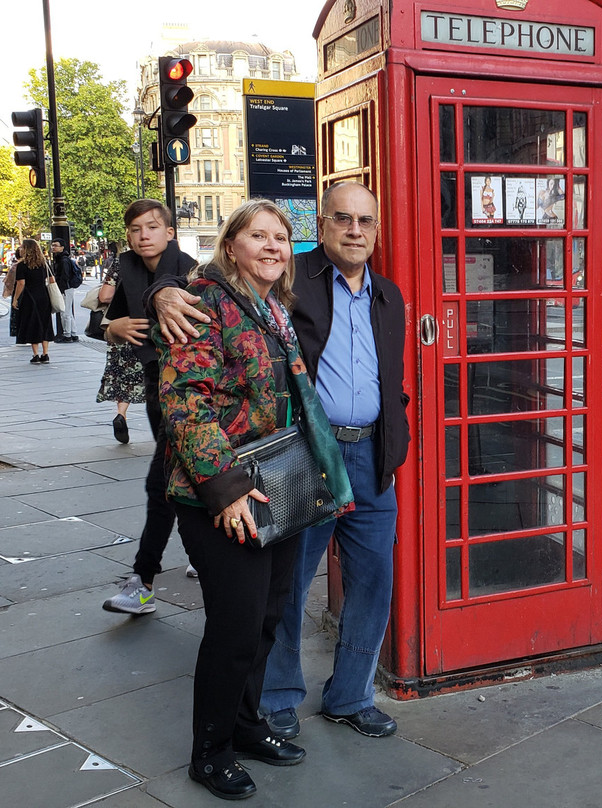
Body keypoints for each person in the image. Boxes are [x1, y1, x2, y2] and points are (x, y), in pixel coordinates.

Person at [153, 180, 410, 742]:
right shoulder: (295, 279)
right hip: (303, 456)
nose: (355, 231)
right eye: (342, 219)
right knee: (287, 584)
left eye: (366, 221)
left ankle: (352, 695)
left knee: (374, 582)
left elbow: (391, 378)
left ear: (377, 230)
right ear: (322, 227)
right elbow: (204, 280)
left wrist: (397, 435)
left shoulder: (389, 296)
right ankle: (276, 698)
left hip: (372, 456)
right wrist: (161, 292)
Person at [153, 199, 352, 801]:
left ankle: (244, 726)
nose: (271, 246)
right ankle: (208, 751)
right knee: (235, 626)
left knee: (267, 617)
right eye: (257, 236)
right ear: (231, 244)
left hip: (277, 482)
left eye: (280, 237)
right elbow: (186, 401)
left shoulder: (271, 306)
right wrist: (226, 492)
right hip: (221, 493)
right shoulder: (202, 301)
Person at [101, 200, 198, 614]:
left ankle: (143, 581)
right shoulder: (127, 268)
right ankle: (206, 553)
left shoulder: (191, 270)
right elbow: (104, 325)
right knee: (188, 478)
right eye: (136, 228)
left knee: (162, 484)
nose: (144, 235)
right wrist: (112, 328)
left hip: (193, 392)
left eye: (153, 227)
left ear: (170, 232)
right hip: (156, 388)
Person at [95, 257, 143, 444]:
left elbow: (104, 296)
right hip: (151, 324)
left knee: (124, 374)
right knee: (155, 375)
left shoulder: (120, 263)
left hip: (123, 325)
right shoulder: (169, 261)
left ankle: (121, 414)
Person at [12, 239, 55, 363]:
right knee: (45, 322)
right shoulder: (44, 263)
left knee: (33, 323)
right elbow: (52, 280)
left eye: (22, 247)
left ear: (27, 249)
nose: (20, 249)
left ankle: (35, 354)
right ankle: (45, 353)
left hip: (30, 297)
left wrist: (15, 299)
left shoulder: (22, 265)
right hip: (44, 295)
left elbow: (21, 283)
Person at [51, 240, 82, 343]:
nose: (53, 247)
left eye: (56, 245)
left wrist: (61, 289)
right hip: (67, 288)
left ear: (62, 247)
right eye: (52, 245)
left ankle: (67, 335)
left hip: (65, 288)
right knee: (68, 312)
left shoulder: (63, 260)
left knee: (65, 313)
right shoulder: (62, 259)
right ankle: (73, 334)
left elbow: (64, 276)